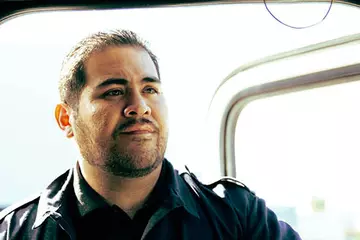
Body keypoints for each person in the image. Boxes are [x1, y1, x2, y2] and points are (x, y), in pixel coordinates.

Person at [0, 29, 301, 240]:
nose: (139, 107)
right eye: (114, 92)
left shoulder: (237, 214)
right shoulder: (16, 232)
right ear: (66, 118)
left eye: (150, 89)